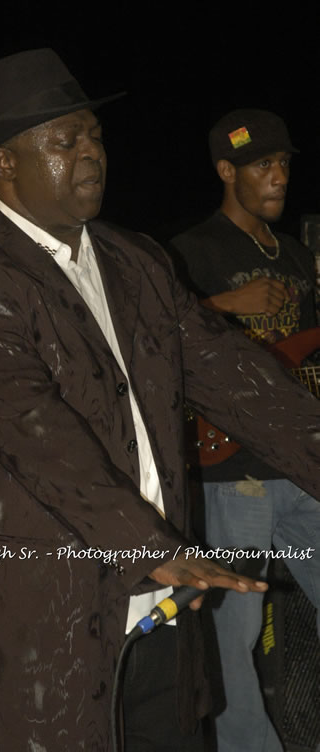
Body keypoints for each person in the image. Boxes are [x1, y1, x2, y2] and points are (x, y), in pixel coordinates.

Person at [0, 55, 320, 752]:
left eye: (94, 135)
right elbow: (37, 434)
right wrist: (150, 546)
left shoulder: (137, 262)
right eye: (63, 142)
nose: (90, 154)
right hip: (40, 614)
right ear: (4, 164)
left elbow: (238, 378)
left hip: (162, 603)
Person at [170, 109, 320, 752]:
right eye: (263, 163)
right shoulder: (189, 251)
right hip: (233, 477)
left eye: (284, 161)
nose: (278, 174)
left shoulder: (295, 253)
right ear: (226, 171)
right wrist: (223, 305)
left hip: (300, 467)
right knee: (232, 639)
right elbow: (152, 336)